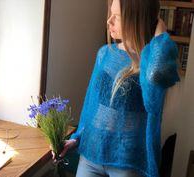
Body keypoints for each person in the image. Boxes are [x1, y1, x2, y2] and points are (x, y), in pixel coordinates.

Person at [51, 0, 180, 176]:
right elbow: (91, 106)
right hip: (92, 153)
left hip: (127, 158)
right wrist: (77, 138)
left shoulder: (151, 62)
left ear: (135, 19)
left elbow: (154, 93)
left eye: (117, 17)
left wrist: (160, 36)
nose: (109, 21)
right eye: (110, 14)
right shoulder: (104, 54)